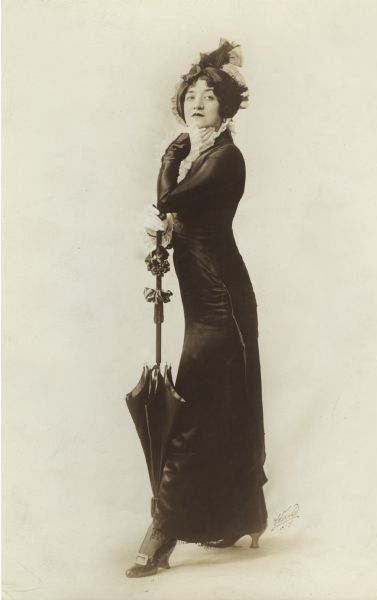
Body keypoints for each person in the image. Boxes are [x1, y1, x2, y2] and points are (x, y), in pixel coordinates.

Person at [126, 38, 268, 578]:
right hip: (206, 303)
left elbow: (169, 202)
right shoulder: (204, 153)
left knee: (187, 414)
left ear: (227, 108)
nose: (197, 102)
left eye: (210, 96)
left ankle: (162, 531)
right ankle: (235, 518)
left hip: (223, 307)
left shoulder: (224, 157)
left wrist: (170, 155)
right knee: (219, 409)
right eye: (192, 93)